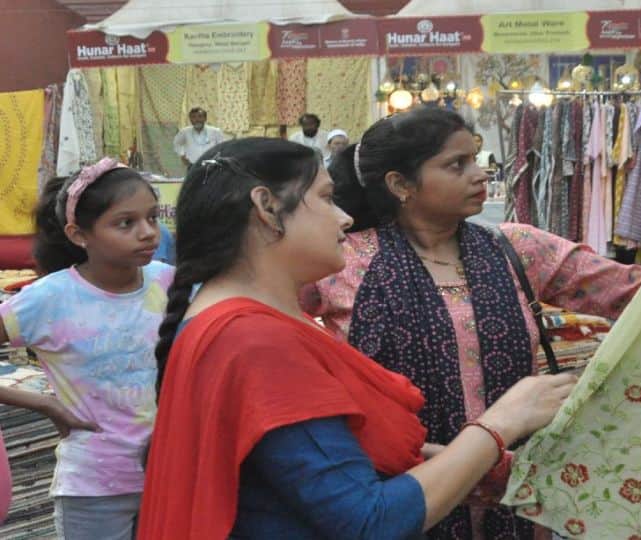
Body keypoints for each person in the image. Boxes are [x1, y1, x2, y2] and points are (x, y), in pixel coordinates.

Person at [137, 138, 575, 539]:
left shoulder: (234, 320)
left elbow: (314, 460)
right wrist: (503, 422)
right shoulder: (255, 340)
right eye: (326, 198)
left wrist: (471, 462)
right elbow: (367, 520)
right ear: (267, 208)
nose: (345, 217)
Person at [301, 107, 641, 539]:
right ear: (400, 184)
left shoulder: (516, 248)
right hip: (400, 492)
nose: (480, 174)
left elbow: (640, 293)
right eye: (457, 164)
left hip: (515, 492)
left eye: (476, 159)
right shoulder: (342, 261)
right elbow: (268, 324)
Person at [0, 158, 174, 540]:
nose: (148, 233)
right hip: (94, 487)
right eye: (126, 223)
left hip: (169, 477)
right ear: (79, 235)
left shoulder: (167, 281)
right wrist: (43, 403)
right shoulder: (50, 298)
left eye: (152, 217)